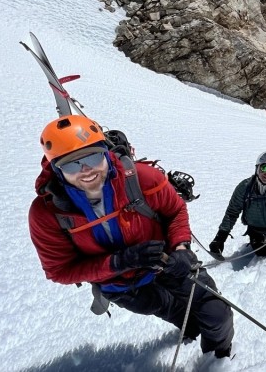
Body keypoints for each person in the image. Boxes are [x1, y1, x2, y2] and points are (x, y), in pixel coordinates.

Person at [29, 115, 234, 358]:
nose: (86, 171)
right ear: (56, 169)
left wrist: (181, 248)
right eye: (71, 165)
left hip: (169, 264)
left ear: (106, 153)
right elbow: (59, 270)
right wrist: (120, 262)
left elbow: (175, 210)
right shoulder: (47, 214)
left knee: (217, 315)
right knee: (174, 312)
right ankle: (191, 330)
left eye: (93, 157)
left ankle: (219, 358)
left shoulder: (143, 179)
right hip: (122, 286)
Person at [210, 151, 266, 258]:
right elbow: (232, 212)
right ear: (257, 168)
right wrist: (220, 237)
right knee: (263, 253)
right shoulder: (245, 187)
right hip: (257, 231)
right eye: (264, 168)